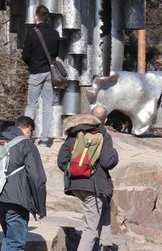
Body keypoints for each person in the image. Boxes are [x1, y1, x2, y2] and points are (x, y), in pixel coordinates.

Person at [0, 115, 48, 251]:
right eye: (31, 132)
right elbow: (37, 178)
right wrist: (41, 207)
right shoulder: (26, 144)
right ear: (27, 129)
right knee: (14, 243)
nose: (31, 136)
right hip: (16, 201)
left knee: (9, 239)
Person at [57, 105, 120, 251]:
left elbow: (61, 160)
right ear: (105, 120)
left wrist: (74, 171)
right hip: (93, 186)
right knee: (90, 228)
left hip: (76, 185)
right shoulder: (102, 134)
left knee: (104, 205)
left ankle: (106, 244)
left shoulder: (73, 133)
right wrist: (115, 154)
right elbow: (107, 162)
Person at [21, 4, 61, 146]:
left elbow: (25, 54)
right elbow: (56, 54)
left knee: (32, 104)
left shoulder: (31, 32)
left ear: (36, 16)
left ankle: (25, 136)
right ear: (48, 18)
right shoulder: (55, 34)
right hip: (50, 73)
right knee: (48, 105)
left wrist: (31, 64)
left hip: (35, 71)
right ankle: (44, 139)